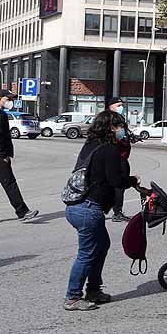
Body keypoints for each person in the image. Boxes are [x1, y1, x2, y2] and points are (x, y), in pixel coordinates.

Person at [63, 111, 139, 310]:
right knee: (87, 253)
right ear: (112, 128)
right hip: (88, 209)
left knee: (102, 245)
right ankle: (73, 297)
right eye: (120, 126)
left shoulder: (90, 145)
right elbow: (116, 181)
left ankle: (94, 290)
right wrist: (132, 180)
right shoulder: (109, 150)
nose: (123, 130)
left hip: (76, 205)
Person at [0, 89, 39, 224]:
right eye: (8, 99)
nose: (10, 102)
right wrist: (3, 155)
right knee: (10, 183)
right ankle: (22, 212)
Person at [106, 97, 133, 222]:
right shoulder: (112, 119)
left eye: (122, 105)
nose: (121, 107)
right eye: (118, 105)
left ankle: (114, 210)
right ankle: (117, 212)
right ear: (111, 106)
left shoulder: (115, 118)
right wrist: (125, 138)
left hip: (118, 155)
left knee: (112, 184)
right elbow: (119, 137)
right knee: (119, 185)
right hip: (118, 157)